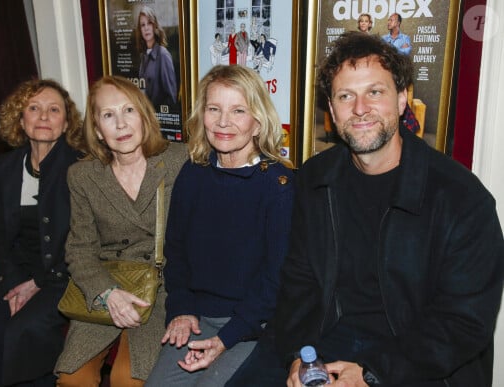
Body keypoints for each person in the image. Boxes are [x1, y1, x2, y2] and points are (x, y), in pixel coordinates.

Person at [227, 31, 504, 386]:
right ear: (331, 107)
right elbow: (298, 283)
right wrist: (297, 356)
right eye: (346, 96)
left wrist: (372, 373)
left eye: (375, 92)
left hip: (414, 358)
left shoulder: (462, 198)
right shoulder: (315, 177)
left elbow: (464, 323)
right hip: (323, 339)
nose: (360, 109)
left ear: (403, 99)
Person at [145, 64, 295, 387]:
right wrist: (181, 310)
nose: (223, 121)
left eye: (238, 110)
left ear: (257, 123)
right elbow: (177, 252)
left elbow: (276, 281)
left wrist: (227, 337)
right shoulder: (193, 173)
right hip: (197, 317)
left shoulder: (279, 185)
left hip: (254, 326)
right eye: (214, 109)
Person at [54, 75, 187, 387]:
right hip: (109, 284)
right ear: (98, 130)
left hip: (165, 288)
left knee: (129, 380)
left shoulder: (179, 161)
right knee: (72, 379)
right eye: (108, 115)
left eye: (129, 111)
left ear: (144, 116)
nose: (121, 124)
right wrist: (107, 293)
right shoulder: (83, 176)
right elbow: (79, 249)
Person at [0, 79, 85, 387]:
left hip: (63, 275)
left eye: (53, 109)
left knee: (22, 333)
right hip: (16, 270)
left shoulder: (80, 170)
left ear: (66, 123)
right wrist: (14, 280)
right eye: (34, 108)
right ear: (20, 119)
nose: (44, 117)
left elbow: (83, 243)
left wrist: (38, 283)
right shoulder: (2, 168)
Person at [136, 5, 178, 110]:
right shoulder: (144, 56)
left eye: (149, 23)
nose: (146, 28)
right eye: (142, 25)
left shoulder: (163, 55)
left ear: (154, 25)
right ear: (140, 30)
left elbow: (171, 97)